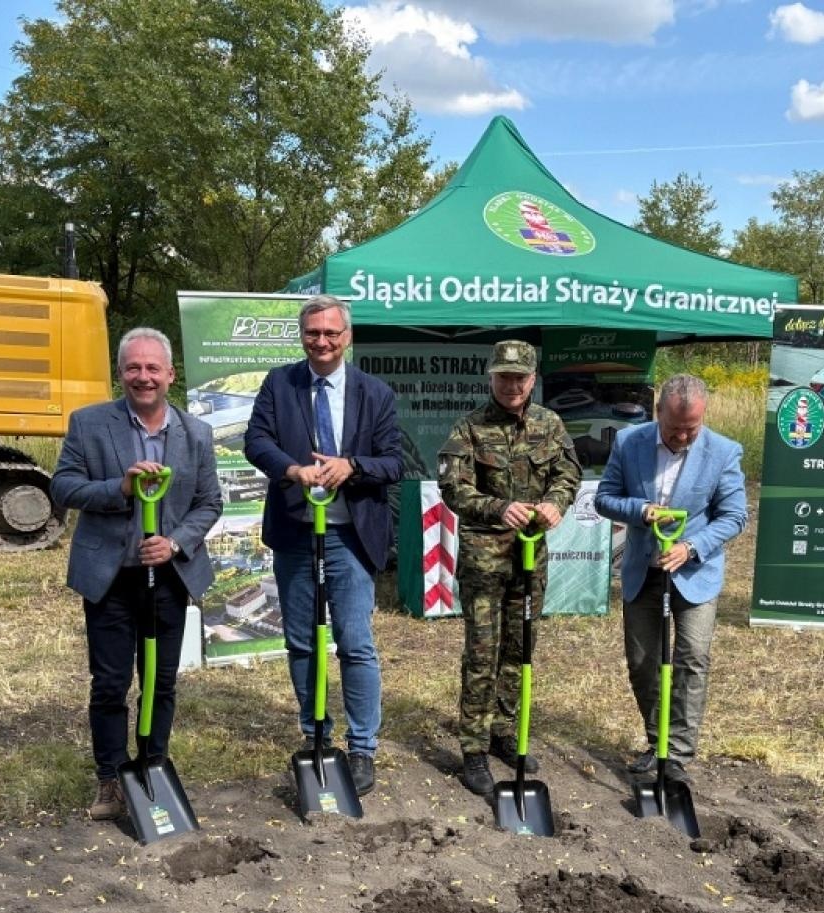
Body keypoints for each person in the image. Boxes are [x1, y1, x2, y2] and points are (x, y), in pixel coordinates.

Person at [51, 328, 222, 822]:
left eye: (153, 368)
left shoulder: (195, 433)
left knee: (161, 681)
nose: (143, 377)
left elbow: (210, 502)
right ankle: (111, 779)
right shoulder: (89, 424)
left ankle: (153, 767)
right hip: (110, 578)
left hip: (168, 577)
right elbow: (63, 487)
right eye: (133, 367)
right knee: (109, 682)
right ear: (120, 372)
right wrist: (119, 488)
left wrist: (175, 542)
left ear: (170, 375)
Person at [244, 296, 403, 796]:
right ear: (302, 336)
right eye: (313, 333)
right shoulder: (279, 383)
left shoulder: (374, 393)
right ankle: (316, 737)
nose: (323, 341)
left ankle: (362, 749)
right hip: (296, 531)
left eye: (332, 333)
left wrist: (351, 465)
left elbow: (394, 462)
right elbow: (255, 441)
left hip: (349, 537)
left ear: (347, 337)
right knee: (301, 643)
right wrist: (293, 469)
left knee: (356, 644)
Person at [438, 340, 581, 796]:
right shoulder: (470, 428)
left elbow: (568, 474)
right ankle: (474, 748)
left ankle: (505, 731)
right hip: (485, 559)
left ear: (533, 379)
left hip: (530, 556)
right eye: (504, 376)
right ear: (491, 378)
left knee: (520, 649)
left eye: (520, 377)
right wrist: (500, 508)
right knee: (482, 652)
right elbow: (452, 488)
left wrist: (557, 504)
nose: (512, 385)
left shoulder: (550, 425)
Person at [594, 374, 747, 783]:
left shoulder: (723, 452)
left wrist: (691, 546)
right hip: (644, 569)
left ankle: (676, 753)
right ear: (657, 411)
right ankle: (655, 740)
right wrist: (639, 510)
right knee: (644, 661)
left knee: (692, 659)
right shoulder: (629, 443)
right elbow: (604, 497)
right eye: (675, 427)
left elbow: (734, 516)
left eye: (691, 428)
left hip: (695, 572)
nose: (682, 436)